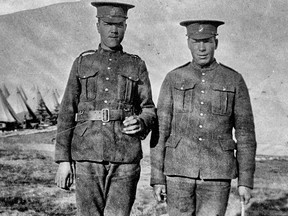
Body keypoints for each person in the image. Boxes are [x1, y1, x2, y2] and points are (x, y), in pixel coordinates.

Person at [54, 2, 156, 216]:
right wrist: (64, 160)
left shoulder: (136, 65)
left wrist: (141, 122)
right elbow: (66, 112)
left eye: (119, 24)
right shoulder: (83, 62)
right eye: (108, 23)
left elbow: (148, 109)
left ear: (125, 27)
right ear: (98, 25)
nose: (113, 30)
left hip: (125, 156)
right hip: (87, 154)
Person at [150, 20, 257, 216]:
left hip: (217, 175)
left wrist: (245, 181)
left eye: (207, 41)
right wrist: (157, 178)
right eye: (196, 41)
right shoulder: (173, 78)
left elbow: (245, 134)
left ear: (216, 43)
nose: (201, 48)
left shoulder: (234, 80)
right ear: (188, 43)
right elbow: (160, 130)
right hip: (178, 173)